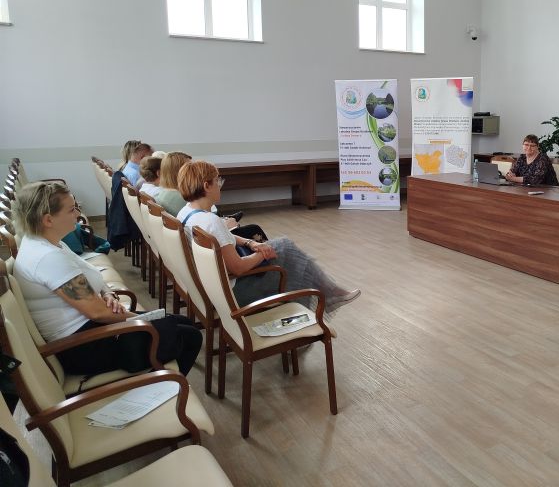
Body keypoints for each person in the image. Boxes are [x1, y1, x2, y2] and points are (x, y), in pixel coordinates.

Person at [11, 182, 201, 376]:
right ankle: (163, 385)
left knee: (182, 322)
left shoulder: (47, 244)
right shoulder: (48, 258)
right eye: (71, 210)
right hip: (85, 346)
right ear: (48, 220)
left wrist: (108, 293)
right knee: (190, 336)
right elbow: (98, 313)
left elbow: (91, 278)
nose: (77, 213)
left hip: (93, 331)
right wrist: (142, 320)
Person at [176, 160, 360, 312]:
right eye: (217, 181)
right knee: (291, 258)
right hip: (234, 293)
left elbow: (222, 238)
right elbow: (238, 268)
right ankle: (309, 315)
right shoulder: (211, 221)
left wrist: (250, 243)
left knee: (288, 253)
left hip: (211, 289)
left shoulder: (185, 213)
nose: (220, 186)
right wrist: (263, 253)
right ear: (206, 186)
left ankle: (327, 297)